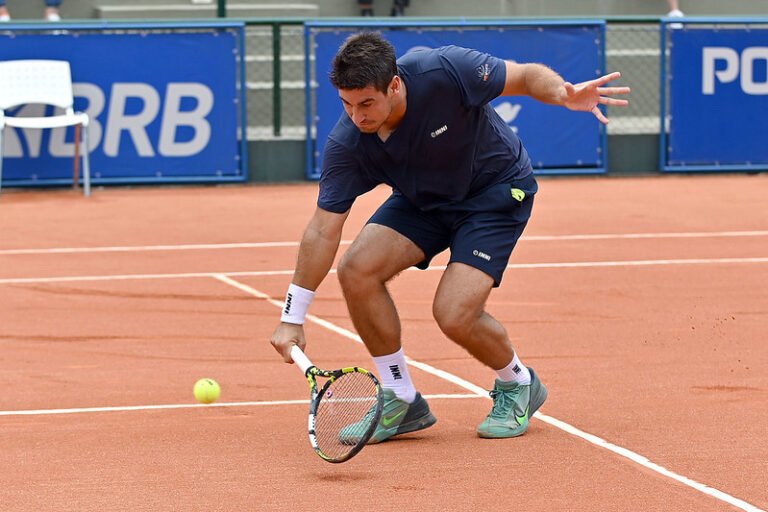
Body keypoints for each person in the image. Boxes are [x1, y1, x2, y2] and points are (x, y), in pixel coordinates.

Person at [271, 32, 629, 442]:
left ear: (394, 84)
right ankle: (400, 397)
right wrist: (292, 317)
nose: (357, 116)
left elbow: (527, 76)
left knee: (454, 313)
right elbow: (322, 229)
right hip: (425, 200)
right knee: (356, 270)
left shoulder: (445, 70)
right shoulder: (350, 143)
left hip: (493, 192)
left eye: (366, 103)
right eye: (347, 104)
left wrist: (562, 94)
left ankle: (517, 382)